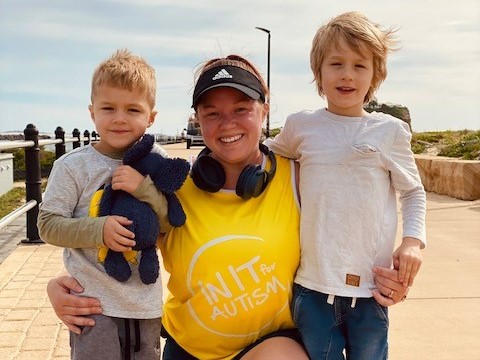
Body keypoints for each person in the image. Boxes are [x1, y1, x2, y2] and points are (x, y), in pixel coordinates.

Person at [46, 54, 411, 360]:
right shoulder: (171, 187)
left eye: (241, 109)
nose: (228, 124)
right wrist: (61, 287)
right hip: (188, 348)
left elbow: (354, 227)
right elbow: (123, 242)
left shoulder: (299, 176)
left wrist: (388, 275)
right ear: (198, 121)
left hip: (271, 345)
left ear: (264, 111)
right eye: (212, 113)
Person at [264, 11, 427, 360]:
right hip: (311, 287)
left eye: (359, 65)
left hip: (372, 290)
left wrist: (412, 242)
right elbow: (265, 161)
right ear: (318, 75)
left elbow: (413, 191)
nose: (347, 75)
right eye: (336, 63)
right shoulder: (300, 126)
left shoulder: (389, 131)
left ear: (375, 76)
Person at [38, 49, 170, 359]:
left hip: (146, 305)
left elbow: (169, 222)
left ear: (151, 117)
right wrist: (99, 229)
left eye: (133, 110)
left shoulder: (158, 162)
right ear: (92, 112)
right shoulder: (73, 166)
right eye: (108, 108)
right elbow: (47, 225)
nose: (119, 118)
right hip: (92, 305)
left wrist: (146, 189)